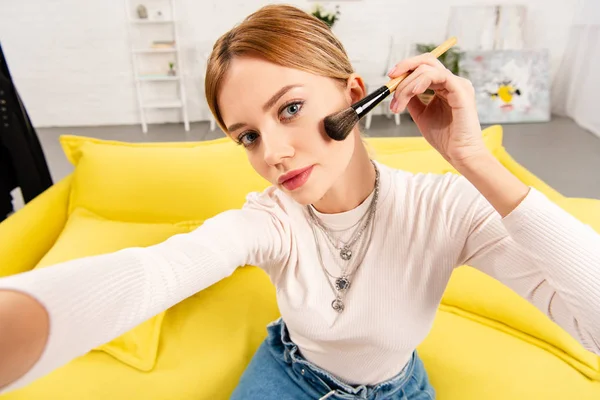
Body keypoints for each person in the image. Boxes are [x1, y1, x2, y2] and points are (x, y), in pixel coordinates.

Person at [0, 4, 599, 399]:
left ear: (356, 96)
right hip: (289, 374)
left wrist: (474, 160)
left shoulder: (448, 208)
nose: (274, 154)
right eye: (249, 137)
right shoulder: (271, 219)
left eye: (290, 108)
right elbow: (160, 270)